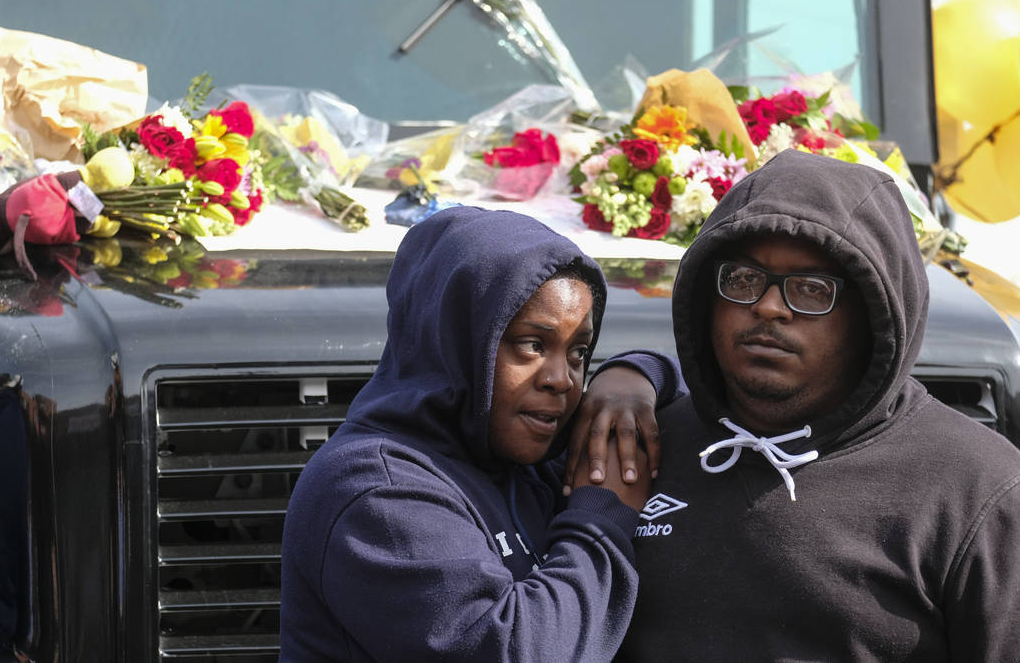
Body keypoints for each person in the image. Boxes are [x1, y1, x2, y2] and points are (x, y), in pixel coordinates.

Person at [570, 149, 1020, 661]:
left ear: (872, 315)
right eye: (742, 280)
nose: (767, 306)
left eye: (810, 289)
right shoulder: (635, 444)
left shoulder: (979, 491)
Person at [280, 206, 650, 662]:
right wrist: (602, 519)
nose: (563, 379)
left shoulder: (522, 451)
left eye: (577, 352)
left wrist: (631, 378)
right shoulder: (374, 490)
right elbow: (515, 650)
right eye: (532, 344)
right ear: (455, 338)